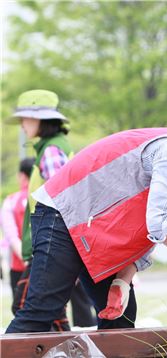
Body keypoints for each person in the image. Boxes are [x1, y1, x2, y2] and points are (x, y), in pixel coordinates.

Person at [6, 102, 167, 333]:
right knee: (40, 313)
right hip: (64, 214)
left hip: (94, 229)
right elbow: (162, 224)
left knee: (120, 318)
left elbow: (151, 227)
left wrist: (123, 279)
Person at [6, 89, 96, 331]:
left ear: (39, 120)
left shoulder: (51, 152)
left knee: (31, 309)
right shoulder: (51, 149)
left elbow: (65, 201)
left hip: (52, 244)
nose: (23, 126)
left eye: (25, 119)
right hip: (53, 243)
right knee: (50, 313)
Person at [1, 158, 34, 299]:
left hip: (19, 267)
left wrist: (26, 259)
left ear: (21, 176)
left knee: (20, 311)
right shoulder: (43, 197)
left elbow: (11, 235)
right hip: (46, 267)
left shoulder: (11, 201)